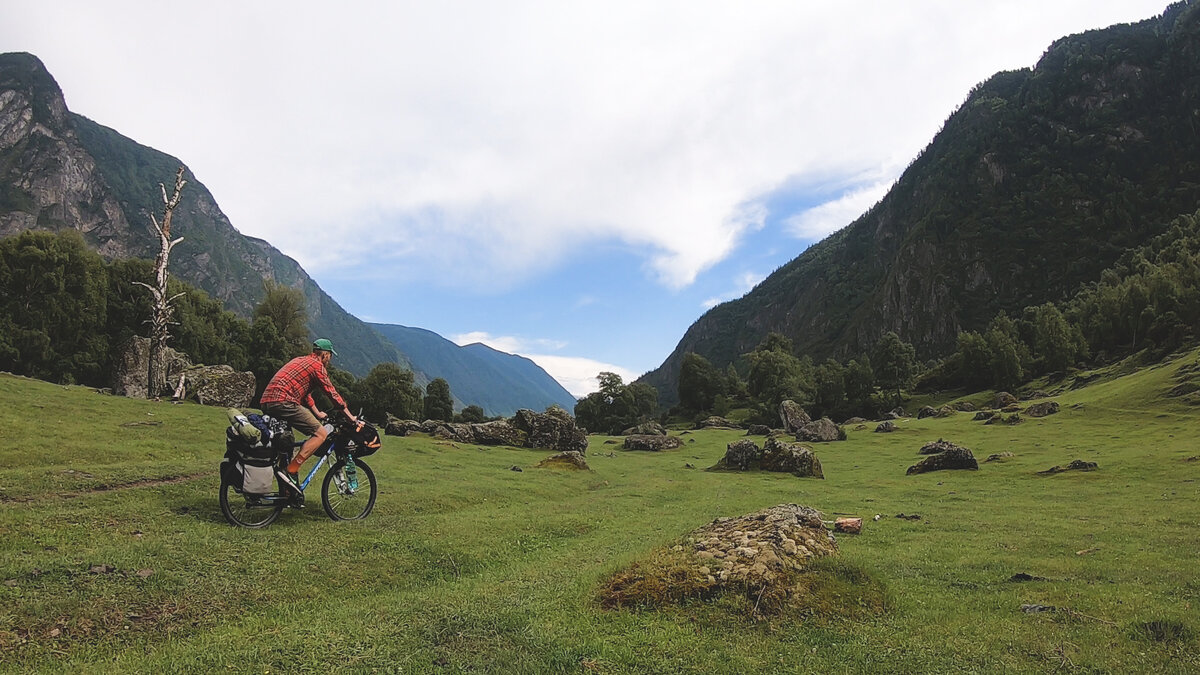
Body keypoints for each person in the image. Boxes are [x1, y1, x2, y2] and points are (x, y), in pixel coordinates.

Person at [260, 338, 357, 489]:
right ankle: (291, 470)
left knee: (287, 445)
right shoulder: (317, 366)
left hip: (268, 401)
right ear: (324, 354)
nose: (329, 360)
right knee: (320, 434)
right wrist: (350, 417)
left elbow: (304, 394)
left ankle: (287, 493)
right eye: (330, 355)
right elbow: (331, 393)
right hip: (284, 402)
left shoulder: (301, 361)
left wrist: (318, 413)